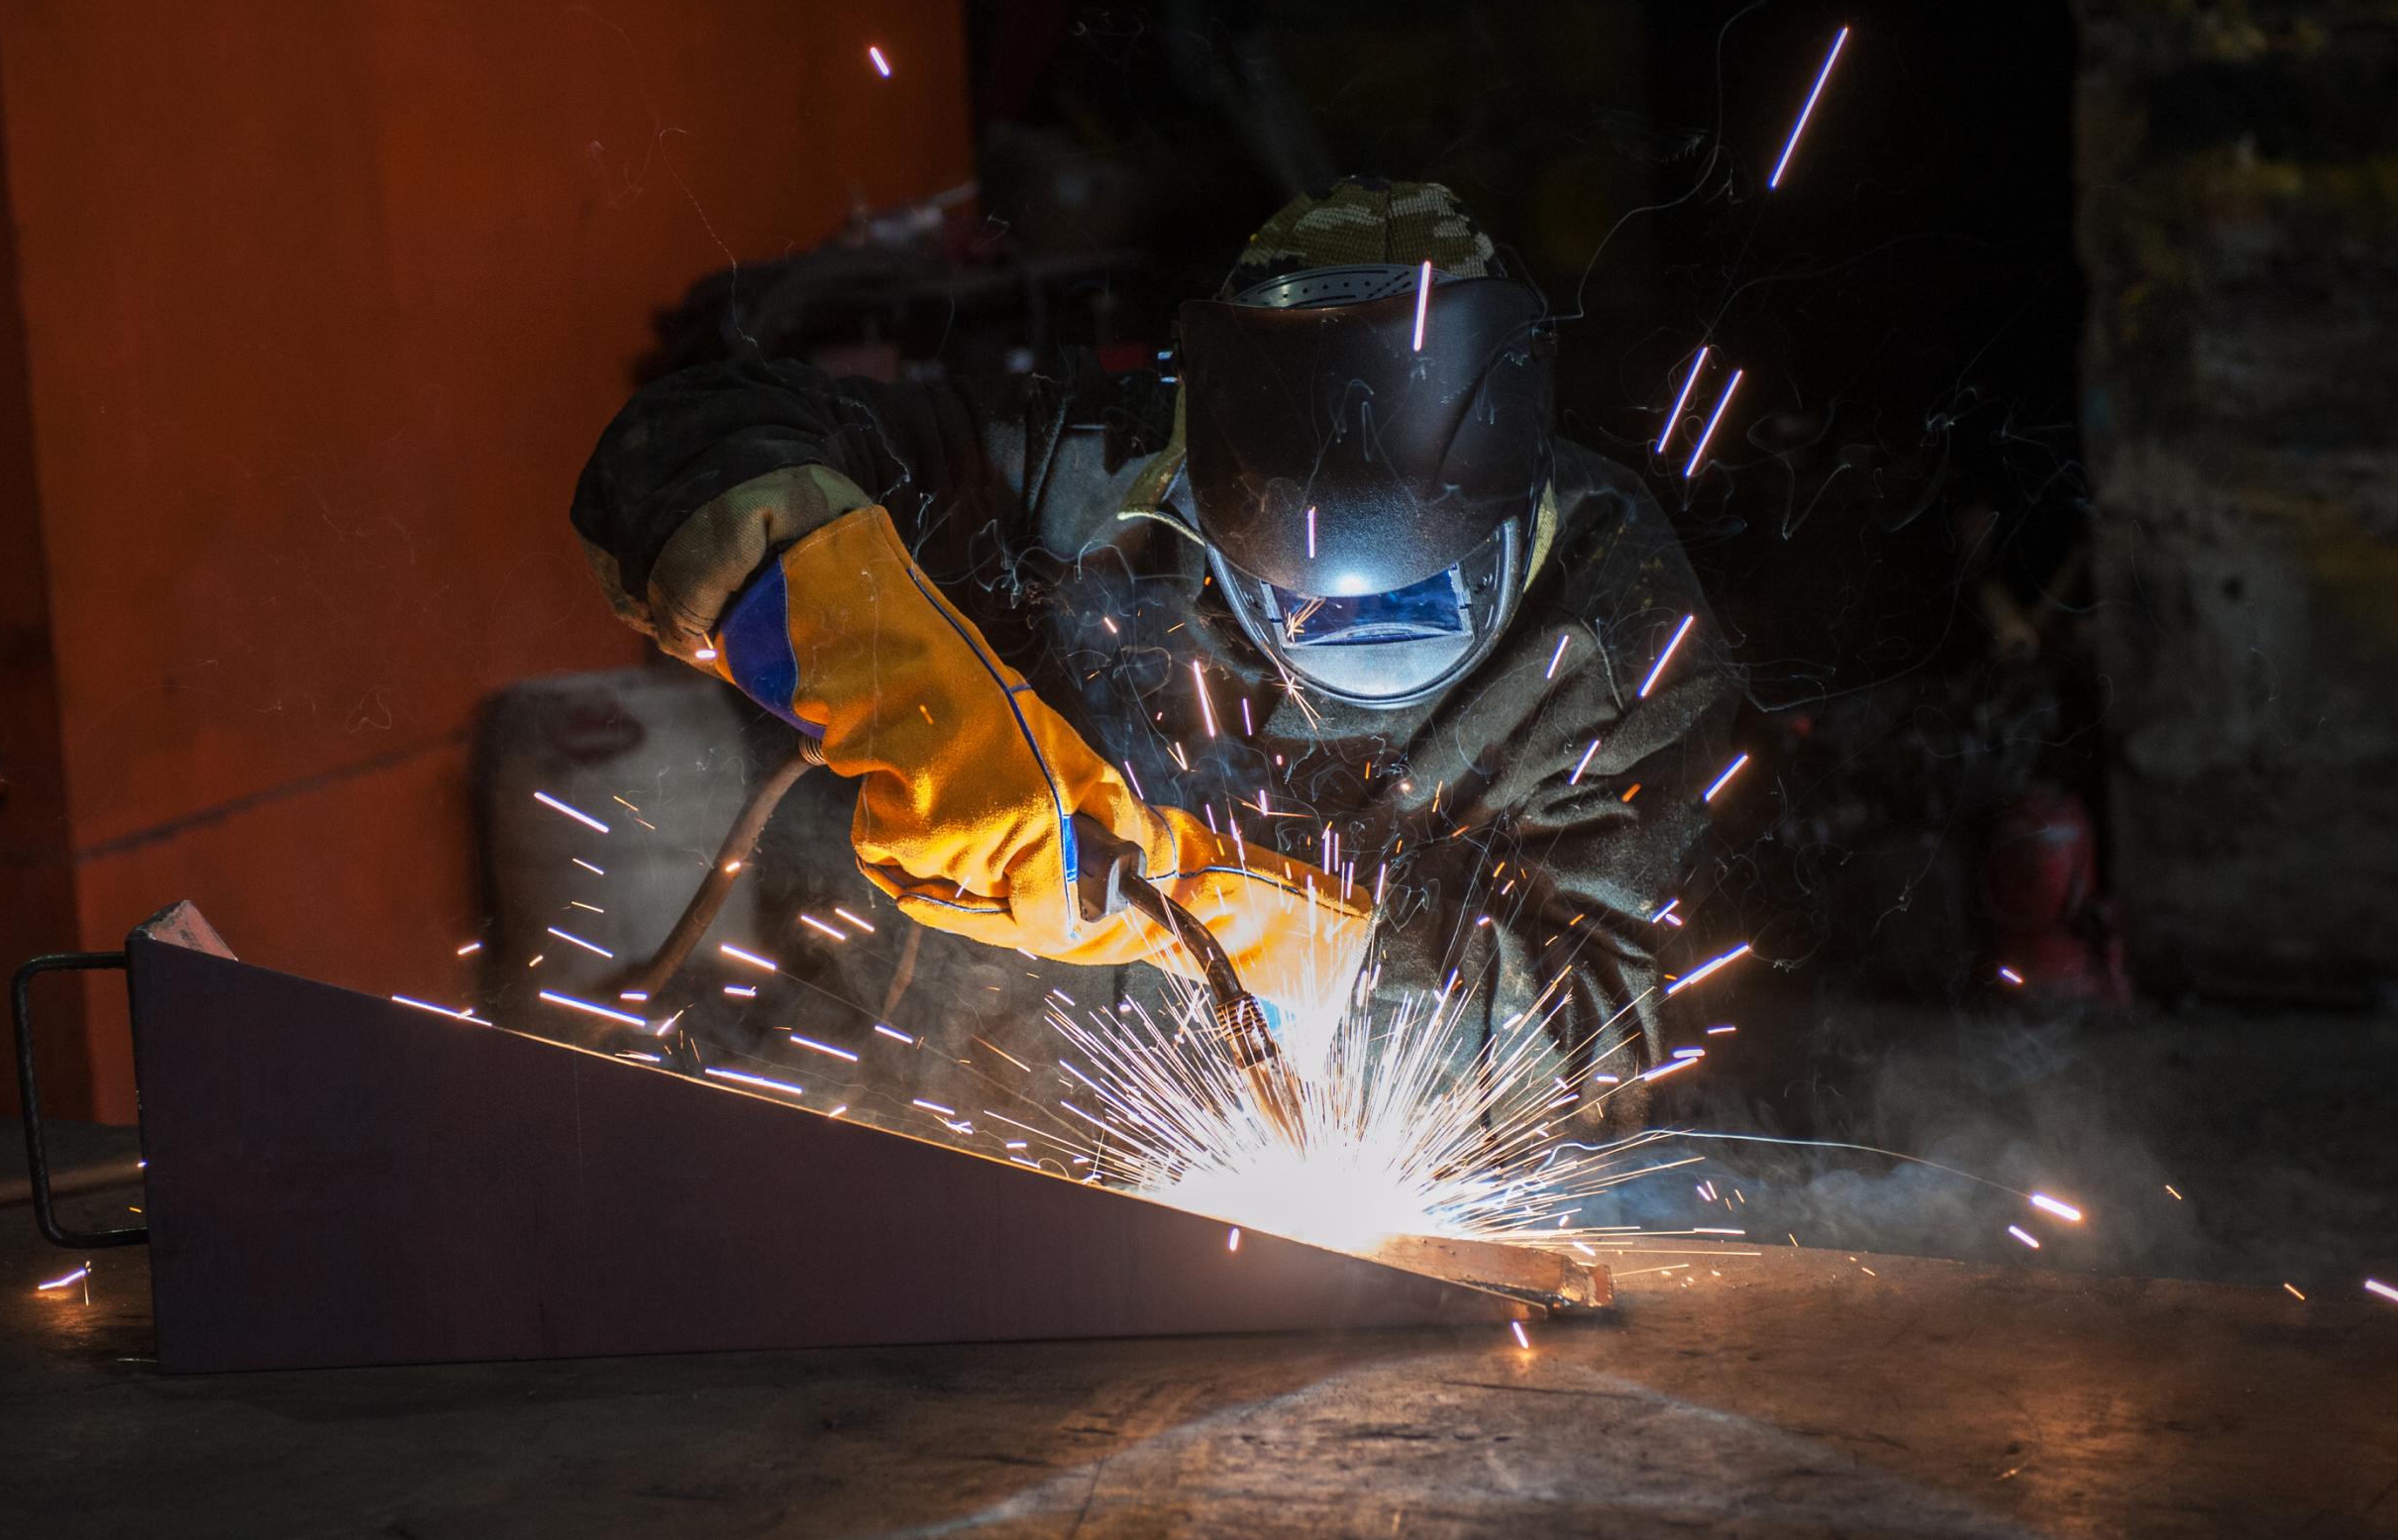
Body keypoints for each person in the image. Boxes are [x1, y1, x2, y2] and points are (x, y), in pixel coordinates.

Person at [573, 178, 1735, 1106]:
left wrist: (1295, 946)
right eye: (1299, 601)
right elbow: (683, 443)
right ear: (1198, 472)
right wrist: (899, 686)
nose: (1353, 636)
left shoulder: (1618, 610)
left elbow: (1610, 1038)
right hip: (982, 1103)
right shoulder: (1078, 469)